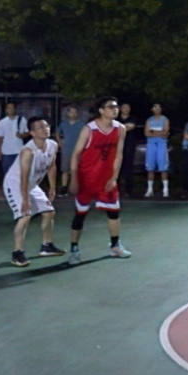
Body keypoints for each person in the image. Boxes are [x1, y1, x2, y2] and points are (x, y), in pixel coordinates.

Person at [68, 97, 131, 264]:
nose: (115, 109)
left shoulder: (120, 128)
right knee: (80, 214)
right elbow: (75, 154)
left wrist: (114, 177)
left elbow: (118, 155)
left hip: (107, 180)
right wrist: (74, 178)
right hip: (87, 178)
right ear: (101, 111)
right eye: (111, 107)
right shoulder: (89, 129)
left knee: (114, 212)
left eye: (116, 106)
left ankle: (115, 246)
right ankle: (74, 250)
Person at [3, 116, 65, 266]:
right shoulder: (28, 151)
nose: (45, 129)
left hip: (31, 185)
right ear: (32, 133)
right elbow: (23, 177)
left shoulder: (53, 145)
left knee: (49, 213)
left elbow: (52, 166)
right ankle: (17, 254)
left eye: (46, 126)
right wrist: (25, 199)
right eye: (40, 127)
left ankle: (46, 246)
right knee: (25, 216)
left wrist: (52, 187)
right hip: (15, 184)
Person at [0, 101, 29, 177]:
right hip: (6, 151)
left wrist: (22, 135)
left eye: (13, 108)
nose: (11, 109)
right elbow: (0, 137)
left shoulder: (22, 120)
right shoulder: (2, 122)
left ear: (15, 109)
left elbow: (28, 132)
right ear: (6, 110)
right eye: (9, 108)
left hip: (19, 150)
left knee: (19, 172)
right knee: (7, 172)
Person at [144, 103, 170, 198]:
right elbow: (147, 133)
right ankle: (150, 189)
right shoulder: (149, 120)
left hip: (162, 145)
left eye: (159, 107)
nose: (157, 108)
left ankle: (165, 190)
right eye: (155, 107)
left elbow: (166, 132)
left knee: (163, 168)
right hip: (151, 145)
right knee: (150, 168)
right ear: (152, 109)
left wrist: (153, 132)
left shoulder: (165, 119)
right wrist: (160, 133)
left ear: (161, 109)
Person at [56, 105, 82, 196]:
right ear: (68, 113)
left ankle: (78, 188)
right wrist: (60, 143)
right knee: (65, 170)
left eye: (75, 112)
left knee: (78, 170)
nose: (73, 114)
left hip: (79, 150)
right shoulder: (63, 124)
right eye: (71, 112)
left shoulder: (82, 124)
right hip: (66, 150)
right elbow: (57, 133)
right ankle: (64, 188)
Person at [117, 103, 140, 197]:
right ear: (120, 109)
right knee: (117, 168)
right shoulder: (116, 119)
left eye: (128, 107)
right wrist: (125, 126)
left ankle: (129, 191)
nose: (126, 109)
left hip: (130, 146)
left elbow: (131, 127)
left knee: (129, 168)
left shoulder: (133, 118)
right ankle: (116, 190)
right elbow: (115, 130)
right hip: (118, 146)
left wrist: (121, 127)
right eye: (124, 107)